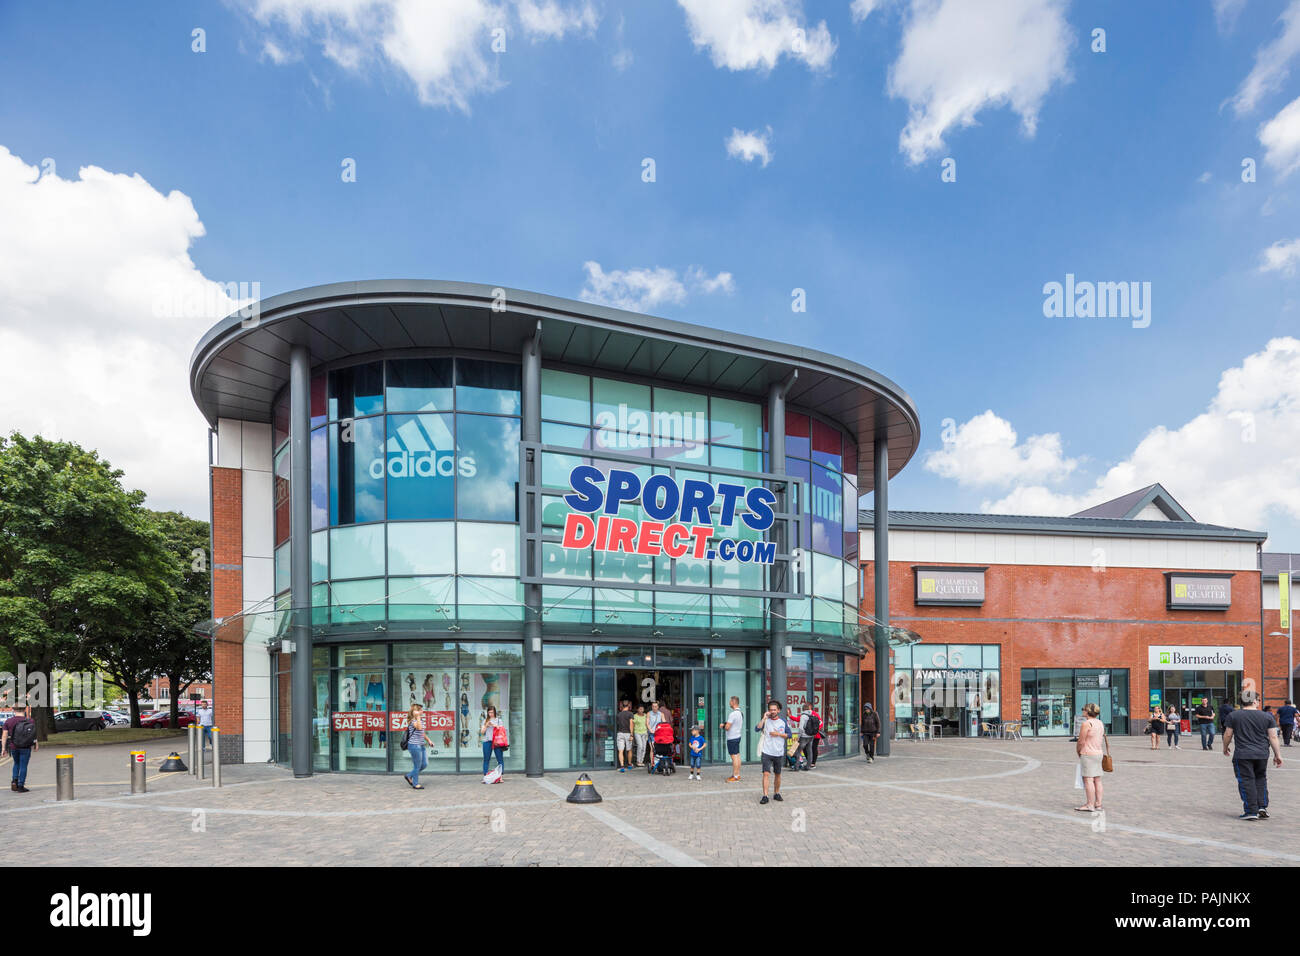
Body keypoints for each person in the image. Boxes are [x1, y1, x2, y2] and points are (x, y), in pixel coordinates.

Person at [1223, 689, 1282, 820]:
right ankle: (1262, 806)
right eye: (1259, 700)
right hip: (1262, 754)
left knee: (1246, 781)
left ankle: (1251, 810)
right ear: (1255, 701)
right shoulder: (1267, 716)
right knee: (1260, 779)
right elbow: (1273, 737)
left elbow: (1228, 734)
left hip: (1242, 754)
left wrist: (1225, 747)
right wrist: (1277, 755)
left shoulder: (1234, 716)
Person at [1074, 702, 1106, 813]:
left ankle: (1089, 804)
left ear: (1087, 711)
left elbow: (1081, 741)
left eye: (1083, 709)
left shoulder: (1087, 724)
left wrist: (1078, 751)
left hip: (1088, 753)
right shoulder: (1100, 723)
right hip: (1098, 753)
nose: (1082, 711)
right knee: (1097, 779)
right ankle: (1098, 804)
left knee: (1088, 779)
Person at [756, 700, 789, 805]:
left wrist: (778, 734)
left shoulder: (783, 722)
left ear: (778, 710)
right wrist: (764, 718)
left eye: (774, 710)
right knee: (766, 773)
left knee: (777, 774)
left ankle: (776, 793)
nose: (772, 711)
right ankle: (765, 795)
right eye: (770, 710)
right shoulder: (766, 720)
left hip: (778, 752)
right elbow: (756, 728)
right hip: (767, 751)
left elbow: (789, 735)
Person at [2, 704, 39, 793]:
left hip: (14, 746)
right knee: (23, 765)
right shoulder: (30, 720)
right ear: (24, 709)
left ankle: (14, 780)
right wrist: (36, 744)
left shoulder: (8, 721)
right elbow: (33, 734)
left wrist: (3, 748)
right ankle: (21, 785)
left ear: (13, 710)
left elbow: (4, 735)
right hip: (26, 747)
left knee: (16, 763)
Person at [403, 703, 428, 790]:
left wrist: (429, 740)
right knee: (417, 766)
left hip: (421, 745)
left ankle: (409, 775)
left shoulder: (419, 720)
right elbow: (419, 728)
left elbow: (422, 732)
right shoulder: (413, 721)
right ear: (415, 711)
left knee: (424, 764)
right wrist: (417, 716)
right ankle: (415, 784)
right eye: (420, 710)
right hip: (414, 745)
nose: (422, 711)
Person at [480, 704, 505, 782]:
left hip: (497, 742)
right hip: (487, 741)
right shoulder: (485, 720)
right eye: (489, 712)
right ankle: (485, 777)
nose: (490, 714)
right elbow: (482, 732)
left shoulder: (499, 720)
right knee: (486, 759)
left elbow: (501, 730)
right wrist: (486, 725)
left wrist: (494, 725)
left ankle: (500, 777)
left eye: (492, 712)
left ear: (495, 712)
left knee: (500, 759)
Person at [721, 696, 743, 782]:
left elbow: (727, 727)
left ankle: (735, 776)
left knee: (734, 757)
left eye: (730, 701)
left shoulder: (733, 714)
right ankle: (737, 774)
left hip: (732, 738)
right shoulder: (740, 713)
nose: (729, 703)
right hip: (737, 736)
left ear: (733, 702)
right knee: (737, 755)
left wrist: (723, 725)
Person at [794, 701, 816, 771]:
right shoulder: (812, 715)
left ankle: (796, 767)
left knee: (798, 751)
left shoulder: (803, 716)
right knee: (809, 751)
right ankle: (808, 766)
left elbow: (801, 728)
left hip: (804, 736)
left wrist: (798, 736)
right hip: (811, 736)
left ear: (803, 709)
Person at [615, 700, 634, 773]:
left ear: (622, 706)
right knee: (629, 750)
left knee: (620, 750)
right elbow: (631, 724)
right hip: (628, 733)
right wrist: (632, 734)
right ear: (628, 706)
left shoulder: (619, 714)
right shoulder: (630, 714)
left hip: (620, 733)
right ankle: (629, 764)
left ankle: (622, 766)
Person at [805, 700, 823, 768]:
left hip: (816, 735)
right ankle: (809, 761)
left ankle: (813, 762)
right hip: (808, 735)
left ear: (810, 707)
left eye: (807, 707)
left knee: (814, 748)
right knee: (805, 748)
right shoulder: (804, 714)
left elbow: (821, 723)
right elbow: (798, 719)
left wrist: (816, 729)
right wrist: (790, 716)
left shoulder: (815, 714)